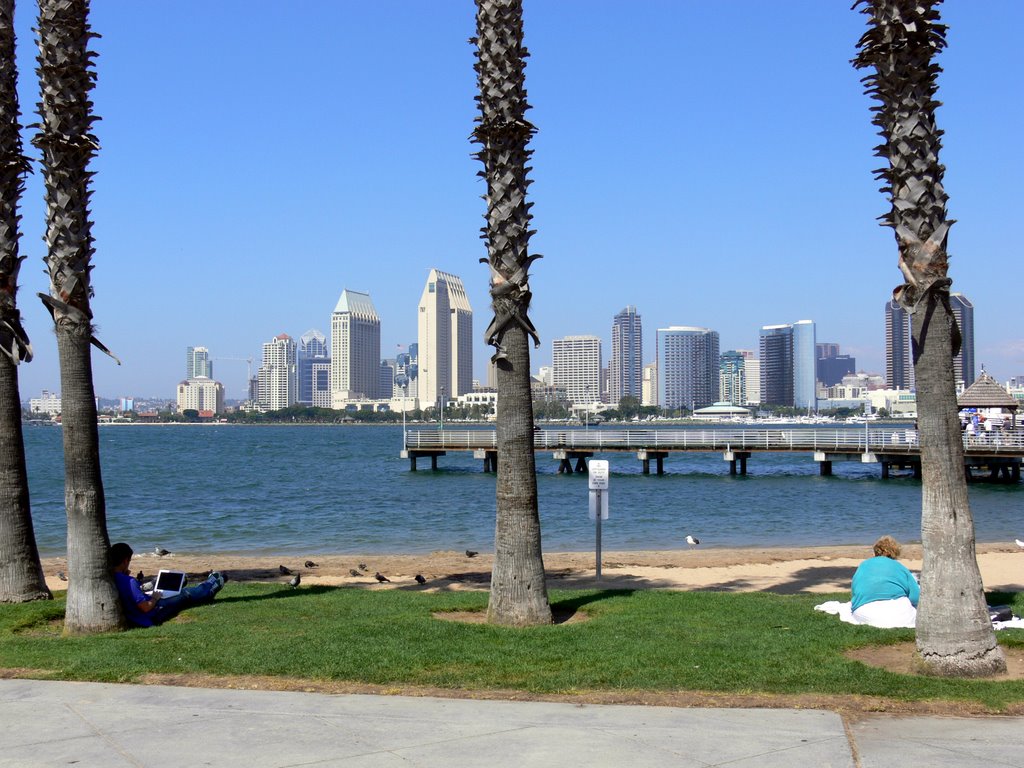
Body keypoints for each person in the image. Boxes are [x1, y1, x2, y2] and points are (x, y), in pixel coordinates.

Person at [109, 542, 226, 628]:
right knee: (184, 594)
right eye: (128, 562)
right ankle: (210, 586)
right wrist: (155, 598)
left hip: (137, 615)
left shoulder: (110, 578)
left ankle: (202, 585)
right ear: (125, 561)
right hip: (153, 614)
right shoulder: (129, 581)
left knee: (169, 589)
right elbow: (145, 607)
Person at [850, 535, 919, 628]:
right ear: (895, 552)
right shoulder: (899, 567)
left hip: (864, 613)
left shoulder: (863, 565)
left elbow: (855, 590)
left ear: (876, 551)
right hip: (900, 615)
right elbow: (915, 597)